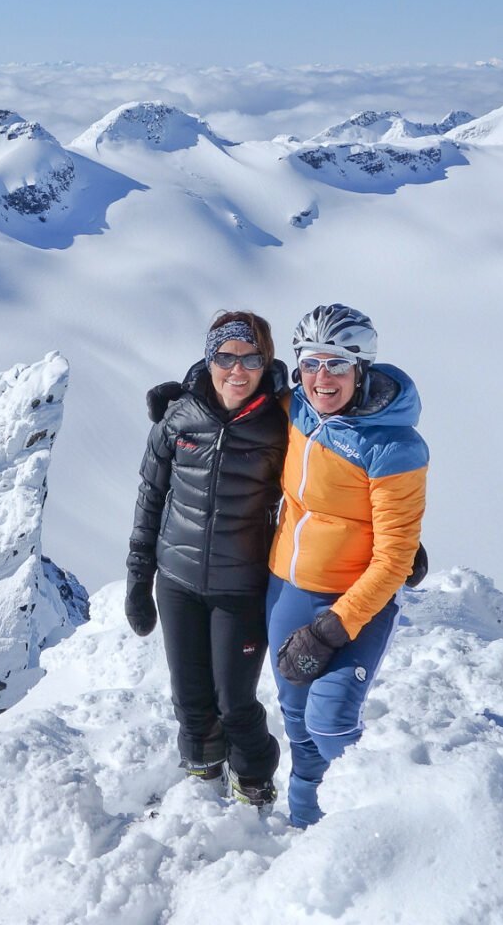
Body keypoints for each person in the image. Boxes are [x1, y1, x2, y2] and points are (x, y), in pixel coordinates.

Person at [267, 303, 427, 828]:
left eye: (337, 363)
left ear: (362, 368)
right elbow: (234, 384)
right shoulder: (298, 410)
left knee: (330, 722)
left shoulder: (393, 444)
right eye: (310, 363)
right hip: (286, 588)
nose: (322, 377)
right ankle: (306, 822)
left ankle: (395, 817)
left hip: (355, 600)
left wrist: (332, 628)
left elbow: (394, 557)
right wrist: (189, 393)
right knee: (295, 717)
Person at [127, 311, 287, 806]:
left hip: (240, 586)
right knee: (191, 700)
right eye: (226, 356)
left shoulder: (283, 425)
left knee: (235, 703)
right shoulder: (181, 417)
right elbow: (151, 494)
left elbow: (331, 485)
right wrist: (138, 578)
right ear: (209, 357)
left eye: (251, 359)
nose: (237, 370)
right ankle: (202, 785)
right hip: (176, 580)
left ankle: (255, 786)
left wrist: (398, 541)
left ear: (267, 362)